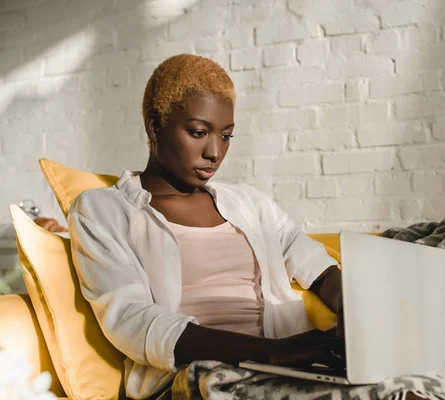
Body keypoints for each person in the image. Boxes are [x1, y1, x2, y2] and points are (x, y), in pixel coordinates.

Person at [67, 54, 344, 399]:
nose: (214, 152)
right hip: (195, 377)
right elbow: (131, 319)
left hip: (290, 368)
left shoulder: (250, 203)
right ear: (155, 127)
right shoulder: (102, 210)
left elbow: (315, 265)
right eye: (199, 132)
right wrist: (277, 352)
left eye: (226, 136)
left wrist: (354, 310)